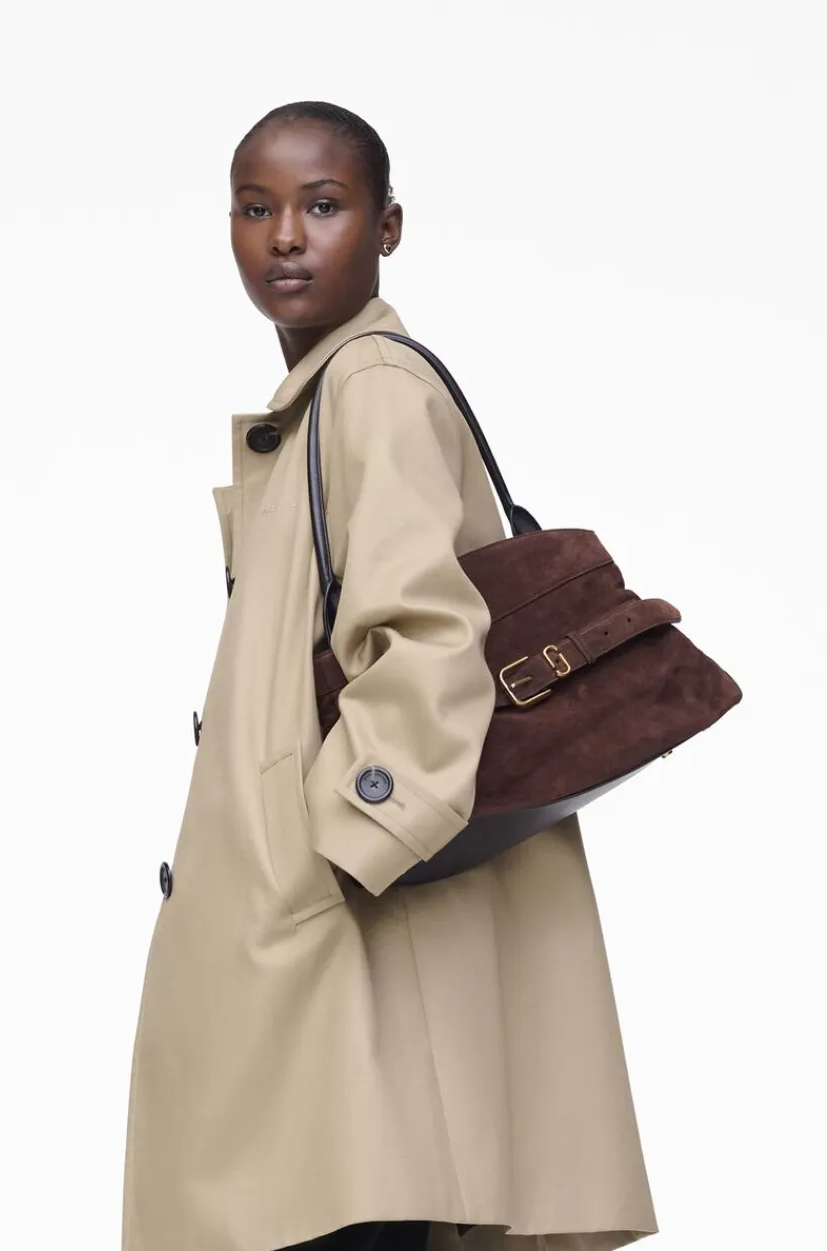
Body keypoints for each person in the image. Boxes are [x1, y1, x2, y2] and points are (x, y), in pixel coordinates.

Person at [121, 101, 658, 1251]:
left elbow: (425, 637)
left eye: (323, 205)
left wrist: (330, 855)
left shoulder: (368, 385)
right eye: (256, 208)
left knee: (325, 1198)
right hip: (342, 950)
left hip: (338, 948)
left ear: (387, 226)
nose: (285, 237)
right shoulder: (327, 401)